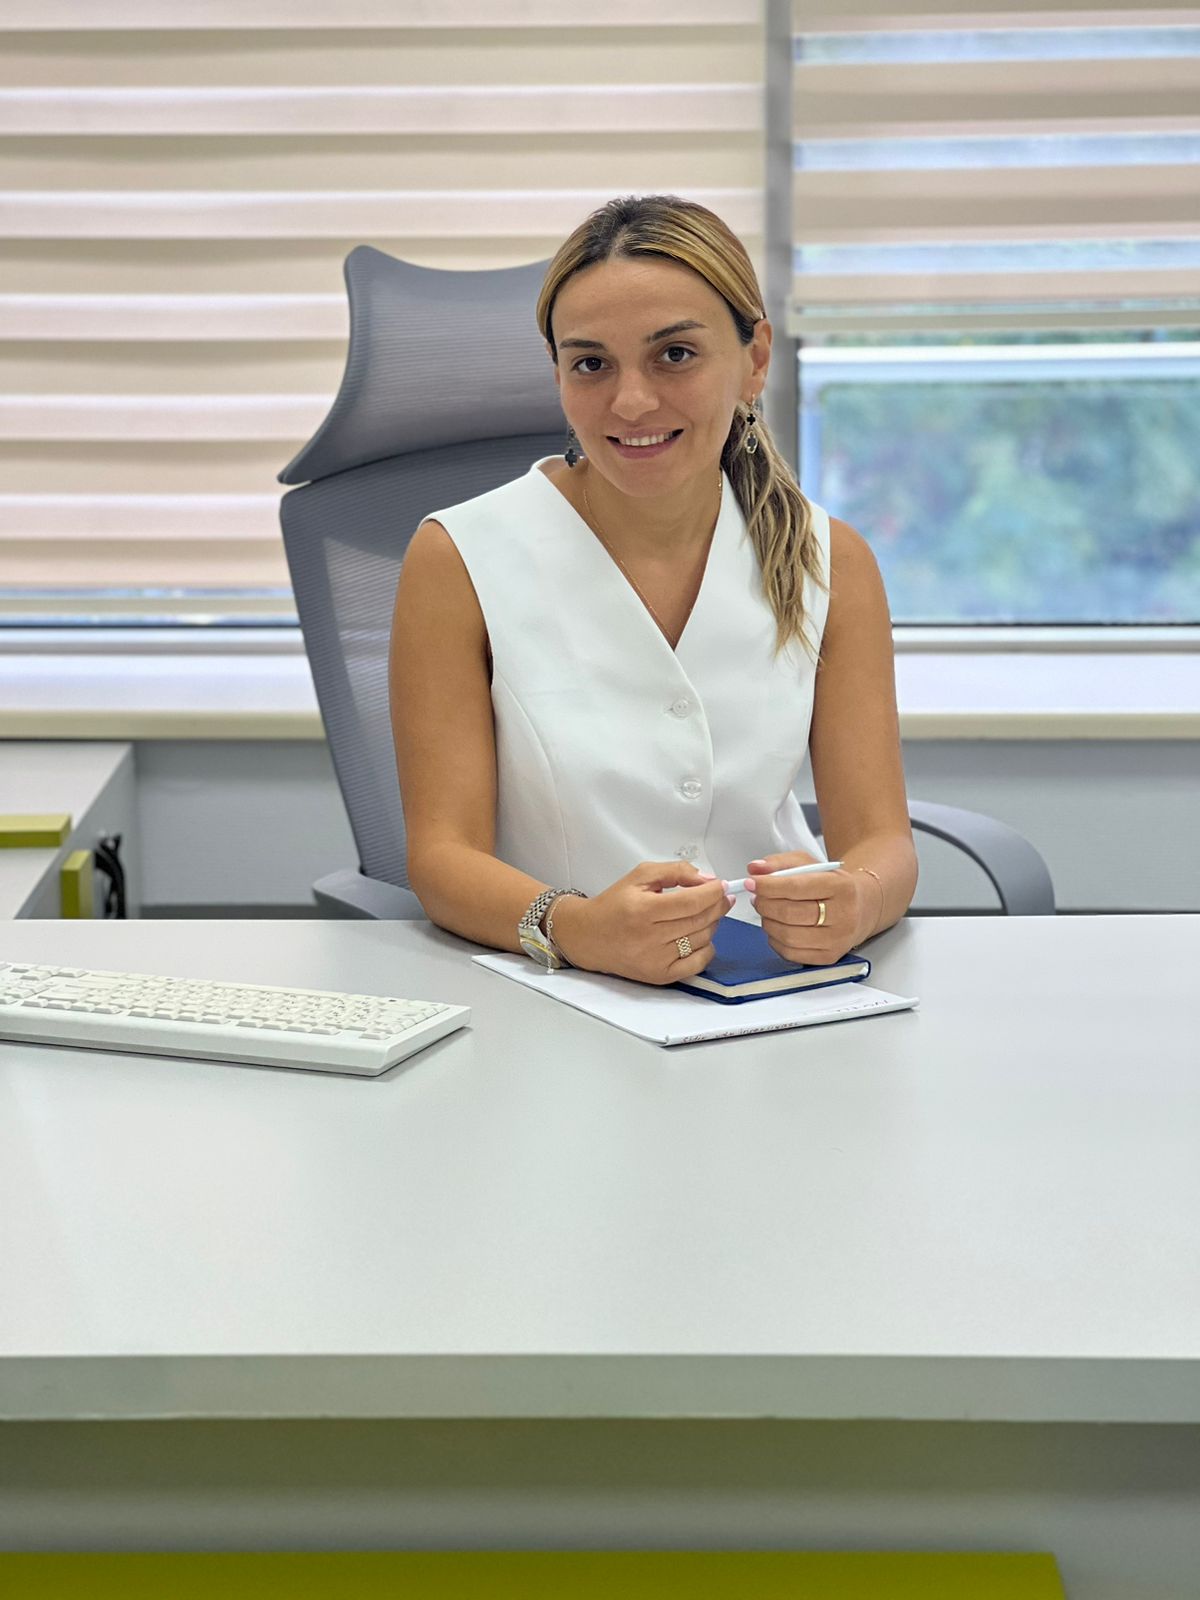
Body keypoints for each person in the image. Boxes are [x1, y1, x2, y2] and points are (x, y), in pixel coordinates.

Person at [389, 194, 917, 987]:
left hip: (785, 992)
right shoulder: (458, 557)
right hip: (563, 990)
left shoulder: (830, 560)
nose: (631, 402)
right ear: (558, 374)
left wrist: (858, 897)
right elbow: (442, 858)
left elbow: (884, 842)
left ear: (755, 359)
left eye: (675, 354)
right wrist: (576, 928)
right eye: (591, 364)